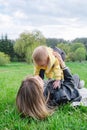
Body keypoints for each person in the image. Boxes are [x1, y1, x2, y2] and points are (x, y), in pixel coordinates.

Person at [16, 52, 86, 119]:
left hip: (61, 86)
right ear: (39, 90)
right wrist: (62, 63)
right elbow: (70, 83)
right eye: (37, 80)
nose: (36, 77)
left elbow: (40, 77)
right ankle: (79, 85)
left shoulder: (40, 94)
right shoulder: (58, 94)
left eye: (33, 77)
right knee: (76, 76)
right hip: (72, 91)